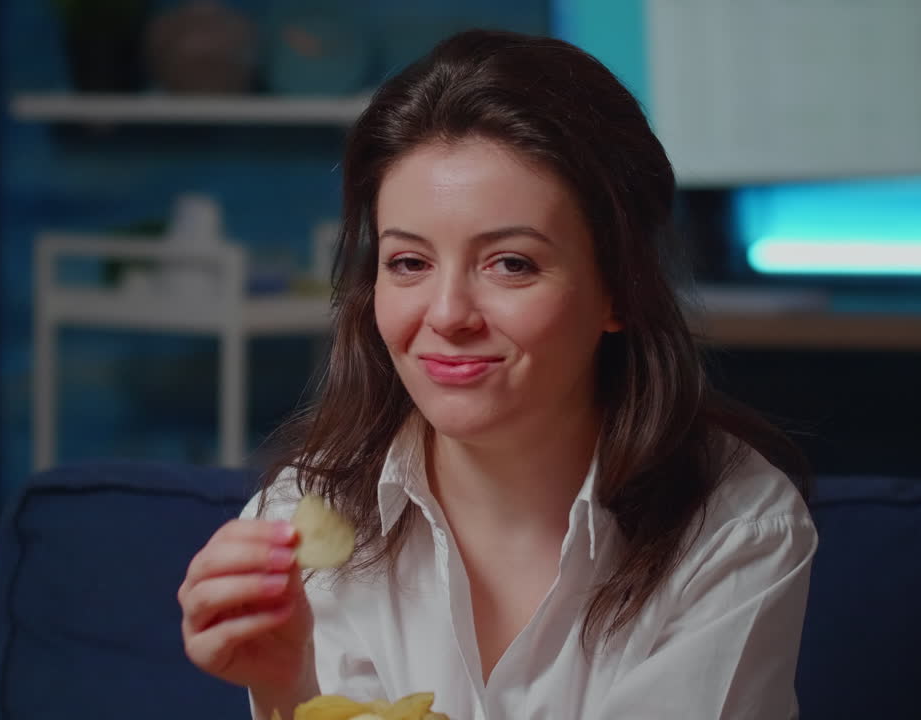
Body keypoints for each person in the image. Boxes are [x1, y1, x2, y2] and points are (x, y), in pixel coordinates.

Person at [177, 29, 817, 720]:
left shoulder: (737, 529)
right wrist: (282, 689)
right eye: (409, 264)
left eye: (510, 263)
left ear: (619, 291)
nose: (448, 314)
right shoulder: (296, 517)